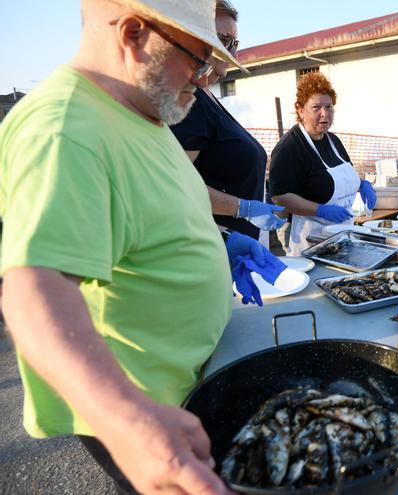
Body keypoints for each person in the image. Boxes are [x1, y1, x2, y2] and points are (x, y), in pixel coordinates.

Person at [0, 0, 271, 493]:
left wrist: (223, 241)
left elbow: (160, 212)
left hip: (197, 377)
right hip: (151, 409)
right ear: (131, 34)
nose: (206, 78)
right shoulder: (65, 129)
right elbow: (33, 293)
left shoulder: (145, 110)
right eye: (198, 59)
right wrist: (130, 424)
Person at [171, 0, 284, 239]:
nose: (232, 53)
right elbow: (174, 186)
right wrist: (242, 208)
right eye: (223, 40)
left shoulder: (207, 96)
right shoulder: (190, 102)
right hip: (210, 246)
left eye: (235, 43)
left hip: (233, 244)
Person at [268, 72, 376, 255]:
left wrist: (362, 184)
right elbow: (280, 197)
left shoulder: (333, 140)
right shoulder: (289, 148)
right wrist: (320, 210)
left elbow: (343, 174)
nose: (324, 114)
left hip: (341, 233)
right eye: (316, 107)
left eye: (329, 107)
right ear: (300, 109)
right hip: (308, 237)